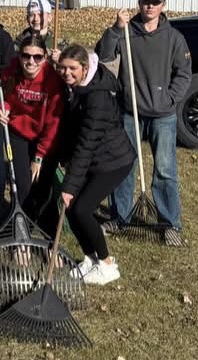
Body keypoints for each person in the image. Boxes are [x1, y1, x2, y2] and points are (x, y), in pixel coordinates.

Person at [95, 0, 191, 246]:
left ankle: (171, 223)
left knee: (165, 169)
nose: (150, 6)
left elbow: (183, 73)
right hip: (130, 111)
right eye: (146, 1)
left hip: (163, 115)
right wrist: (116, 28)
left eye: (155, 2)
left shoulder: (174, 38)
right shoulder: (127, 31)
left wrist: (168, 98)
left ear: (163, 6)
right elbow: (102, 55)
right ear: (139, 2)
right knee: (123, 166)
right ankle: (120, 217)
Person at [56, 44, 135, 285]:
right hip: (94, 159)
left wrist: (70, 185)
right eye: (63, 68)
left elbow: (87, 144)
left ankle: (107, 264)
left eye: (72, 69)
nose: (66, 73)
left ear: (85, 67)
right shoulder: (76, 88)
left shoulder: (97, 97)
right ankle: (90, 258)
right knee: (69, 208)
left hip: (113, 161)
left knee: (81, 209)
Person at [0, 35, 65, 229]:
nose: (31, 62)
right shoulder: (12, 70)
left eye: (37, 57)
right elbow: (1, 93)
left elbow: (53, 123)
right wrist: (3, 107)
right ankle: (23, 232)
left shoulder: (52, 81)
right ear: (19, 56)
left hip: (44, 138)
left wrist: (39, 156)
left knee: (43, 188)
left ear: (45, 57)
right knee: (22, 185)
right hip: (18, 134)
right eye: (26, 56)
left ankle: (49, 235)